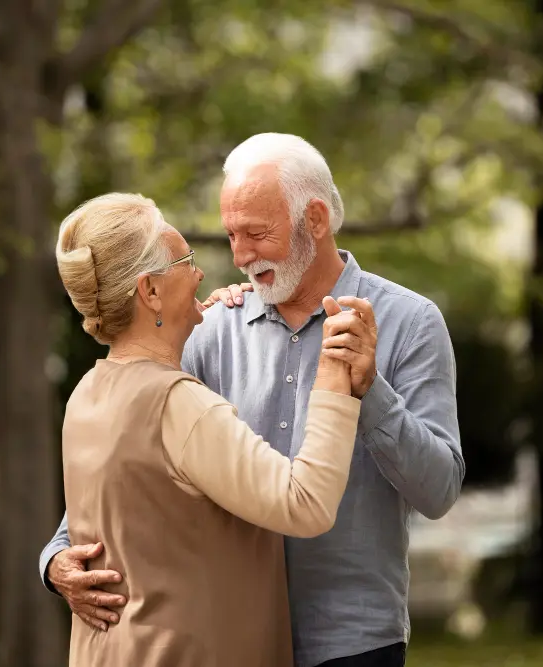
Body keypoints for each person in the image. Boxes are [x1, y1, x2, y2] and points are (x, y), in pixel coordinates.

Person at [41, 134, 465, 667]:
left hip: (350, 642)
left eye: (256, 234)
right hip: (231, 643)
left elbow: (440, 491)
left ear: (314, 219)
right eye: (230, 235)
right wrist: (57, 557)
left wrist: (371, 390)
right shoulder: (207, 330)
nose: (239, 257)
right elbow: (125, 472)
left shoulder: (409, 323)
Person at [52, 191, 367, 667]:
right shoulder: (179, 405)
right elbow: (306, 504)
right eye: (186, 260)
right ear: (150, 291)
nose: (201, 274)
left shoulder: (86, 394)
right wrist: (333, 373)